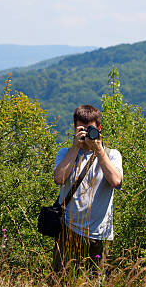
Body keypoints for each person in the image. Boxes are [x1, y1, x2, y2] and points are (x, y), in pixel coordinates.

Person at [51, 105, 123, 278]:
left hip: (100, 234)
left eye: (89, 128)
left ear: (98, 129)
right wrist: (75, 148)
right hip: (68, 230)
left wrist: (98, 150)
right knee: (60, 282)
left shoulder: (111, 155)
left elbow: (115, 181)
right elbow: (59, 179)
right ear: (74, 129)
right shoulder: (65, 153)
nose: (85, 132)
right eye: (81, 128)